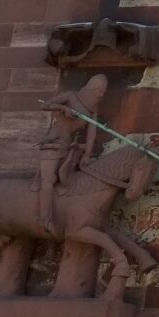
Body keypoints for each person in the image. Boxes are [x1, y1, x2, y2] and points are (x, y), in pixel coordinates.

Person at [36, 74, 110, 237]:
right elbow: (46, 105)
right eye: (100, 90)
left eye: (103, 92)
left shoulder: (92, 109)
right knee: (49, 181)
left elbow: (91, 134)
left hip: (68, 146)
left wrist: (87, 155)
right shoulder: (71, 96)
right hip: (53, 142)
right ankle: (45, 219)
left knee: (70, 179)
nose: (101, 95)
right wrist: (64, 108)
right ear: (93, 88)